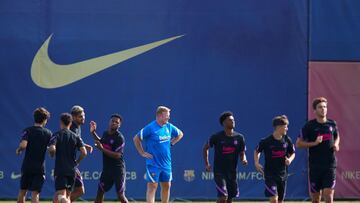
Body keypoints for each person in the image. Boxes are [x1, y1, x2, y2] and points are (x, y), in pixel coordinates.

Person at [133, 106, 184, 203]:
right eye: (167, 116)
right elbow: (136, 138)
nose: (168, 118)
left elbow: (180, 134)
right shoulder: (151, 127)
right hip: (153, 163)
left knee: (167, 185)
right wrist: (142, 152)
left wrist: (172, 143)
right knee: (153, 186)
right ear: (160, 116)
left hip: (166, 163)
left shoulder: (168, 126)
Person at [296, 97, 340, 203]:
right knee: (316, 199)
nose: (323, 109)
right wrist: (314, 143)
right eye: (320, 107)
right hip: (315, 166)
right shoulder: (309, 126)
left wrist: (336, 144)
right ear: (314, 110)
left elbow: (337, 136)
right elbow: (298, 144)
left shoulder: (332, 124)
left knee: (328, 196)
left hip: (330, 165)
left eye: (325, 107)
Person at [203, 111, 248, 203]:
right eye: (230, 120)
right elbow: (205, 148)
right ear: (224, 123)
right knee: (223, 197)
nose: (233, 121)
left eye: (233, 120)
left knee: (230, 198)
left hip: (232, 172)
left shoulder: (240, 137)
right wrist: (207, 164)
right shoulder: (216, 137)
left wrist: (243, 159)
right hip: (219, 172)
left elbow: (242, 152)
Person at [254, 115, 295, 203]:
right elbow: (257, 151)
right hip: (270, 175)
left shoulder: (287, 140)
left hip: (283, 175)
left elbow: (293, 153)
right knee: (273, 199)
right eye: (285, 127)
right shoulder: (266, 141)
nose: (287, 129)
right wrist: (256, 163)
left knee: (280, 201)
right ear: (278, 127)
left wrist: (290, 160)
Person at [89, 114, 129, 203]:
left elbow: (117, 155)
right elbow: (101, 142)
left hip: (118, 170)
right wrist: (93, 132)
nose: (114, 123)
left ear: (119, 125)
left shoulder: (119, 138)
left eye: (116, 122)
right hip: (107, 170)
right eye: (112, 121)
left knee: (120, 195)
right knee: (100, 192)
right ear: (109, 122)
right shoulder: (105, 133)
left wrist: (102, 149)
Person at [48, 113, 87, 203]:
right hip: (72, 170)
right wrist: (77, 162)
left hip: (61, 169)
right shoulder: (76, 136)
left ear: (61, 122)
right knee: (67, 196)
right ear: (70, 123)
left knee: (61, 196)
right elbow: (84, 152)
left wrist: (52, 154)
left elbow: (52, 148)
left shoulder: (57, 135)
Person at [16, 107, 52, 203]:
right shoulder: (48, 133)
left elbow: (23, 145)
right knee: (35, 194)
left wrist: (19, 150)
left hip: (27, 166)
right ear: (44, 120)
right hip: (39, 168)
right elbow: (51, 149)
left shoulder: (28, 130)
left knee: (22, 192)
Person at [69, 105, 93, 202]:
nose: (83, 118)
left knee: (79, 190)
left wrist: (85, 145)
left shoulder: (77, 128)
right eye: (80, 116)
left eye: (83, 116)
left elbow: (77, 142)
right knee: (69, 191)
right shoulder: (73, 129)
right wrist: (76, 163)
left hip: (70, 164)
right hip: (69, 164)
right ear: (73, 117)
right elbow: (83, 152)